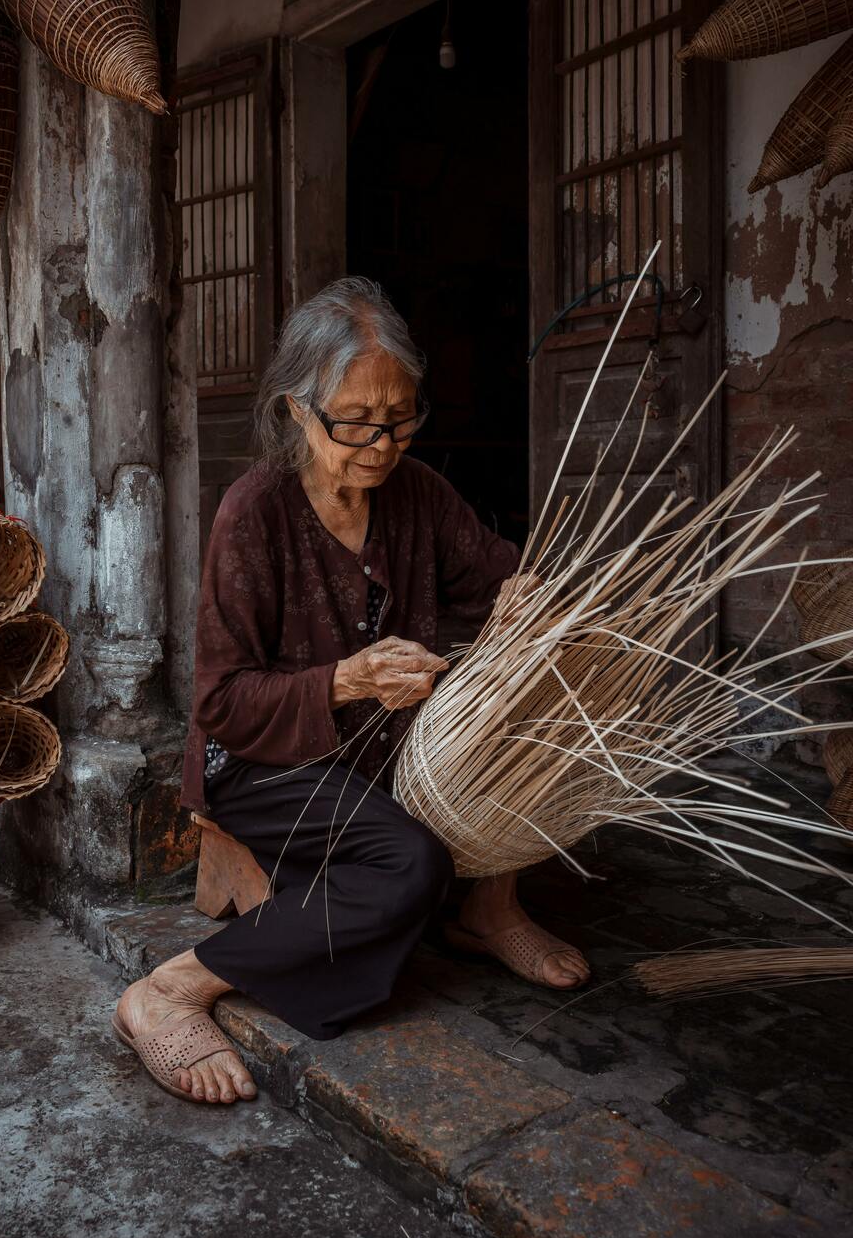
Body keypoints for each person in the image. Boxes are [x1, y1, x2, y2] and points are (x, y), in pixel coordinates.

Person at [114, 278, 589, 1105]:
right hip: (265, 758)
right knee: (409, 868)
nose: (382, 442)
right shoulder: (253, 512)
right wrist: (343, 680)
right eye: (357, 421)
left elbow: (497, 579)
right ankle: (173, 988)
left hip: (378, 753)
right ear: (299, 410)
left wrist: (529, 602)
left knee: (541, 724)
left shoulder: (420, 494)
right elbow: (222, 704)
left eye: (401, 418)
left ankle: (490, 909)